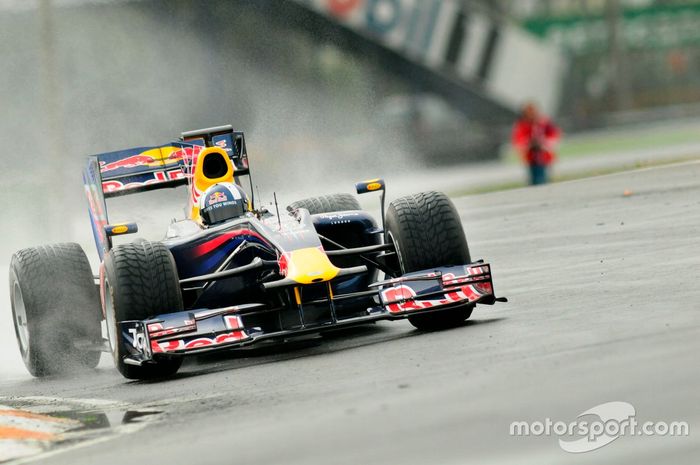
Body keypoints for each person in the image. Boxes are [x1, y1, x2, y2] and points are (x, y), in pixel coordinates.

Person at [511, 102, 561, 185]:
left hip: (543, 154)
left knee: (544, 175)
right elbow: (518, 140)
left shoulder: (543, 123)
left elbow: (553, 134)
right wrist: (529, 143)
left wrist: (543, 142)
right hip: (530, 156)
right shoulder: (522, 125)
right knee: (534, 177)